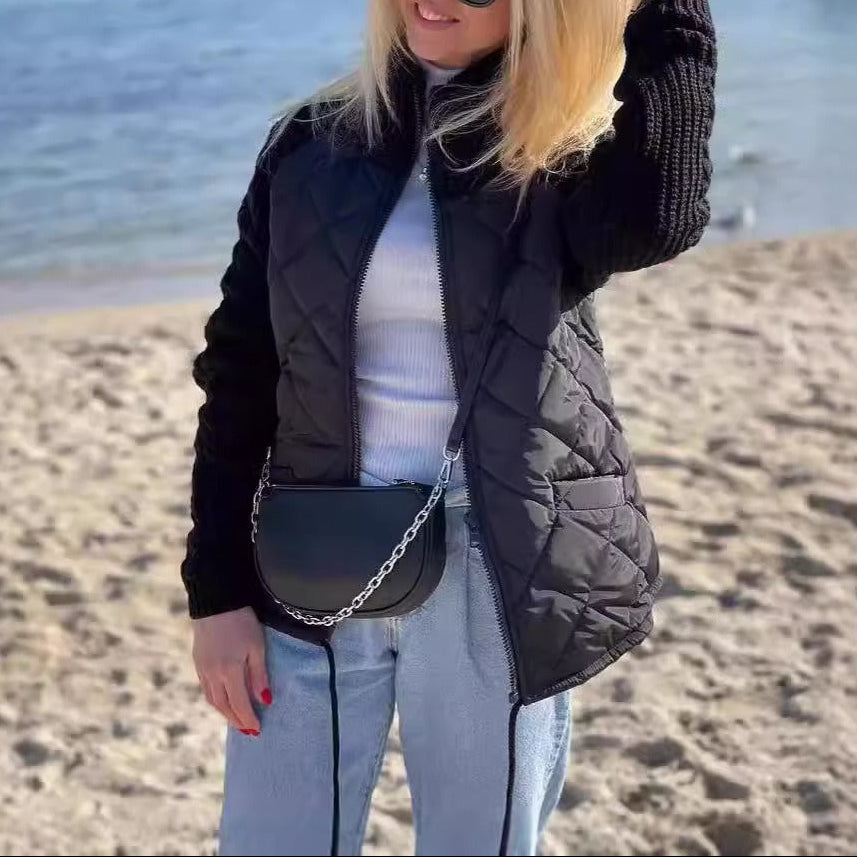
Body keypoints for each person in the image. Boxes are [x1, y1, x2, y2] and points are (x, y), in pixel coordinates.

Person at [180, 0, 717, 853]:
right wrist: (216, 592)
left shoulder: (554, 150)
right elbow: (239, 370)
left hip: (495, 562)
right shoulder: (309, 144)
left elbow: (662, 215)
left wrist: (669, 18)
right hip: (309, 556)